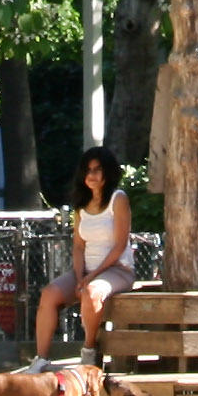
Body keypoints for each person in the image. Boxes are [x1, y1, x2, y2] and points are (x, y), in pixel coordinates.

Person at [35, 146, 135, 362]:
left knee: (91, 292)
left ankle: (89, 350)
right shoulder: (80, 206)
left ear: (108, 172)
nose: (92, 176)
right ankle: (41, 359)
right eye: (88, 170)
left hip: (117, 270)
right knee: (49, 294)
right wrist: (80, 276)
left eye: (97, 170)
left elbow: (119, 245)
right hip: (86, 272)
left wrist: (90, 278)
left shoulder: (118, 199)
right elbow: (79, 246)